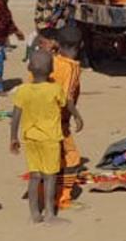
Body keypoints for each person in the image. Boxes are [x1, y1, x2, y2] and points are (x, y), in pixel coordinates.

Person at [9, 50, 82, 225]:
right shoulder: (54, 89)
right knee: (50, 176)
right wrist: (77, 117)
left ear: (29, 68)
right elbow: (68, 103)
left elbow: (16, 115)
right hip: (50, 139)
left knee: (34, 176)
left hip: (30, 138)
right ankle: (50, 213)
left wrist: (13, 137)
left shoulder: (22, 90)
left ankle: (34, 213)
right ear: (51, 70)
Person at [51, 25, 86, 210]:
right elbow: (67, 98)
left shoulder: (49, 61)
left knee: (49, 157)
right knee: (71, 158)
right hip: (59, 122)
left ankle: (43, 193)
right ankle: (63, 196)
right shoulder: (71, 67)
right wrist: (77, 116)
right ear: (80, 45)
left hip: (42, 119)